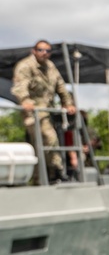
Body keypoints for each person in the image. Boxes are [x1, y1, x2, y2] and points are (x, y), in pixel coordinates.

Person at [11, 40, 76, 183]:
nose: (44, 53)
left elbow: (61, 86)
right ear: (33, 50)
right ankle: (56, 171)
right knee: (49, 138)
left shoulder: (50, 66)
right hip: (33, 113)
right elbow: (20, 87)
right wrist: (25, 100)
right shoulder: (25, 66)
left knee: (43, 144)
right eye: (40, 50)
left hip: (48, 111)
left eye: (47, 51)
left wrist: (68, 103)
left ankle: (43, 177)